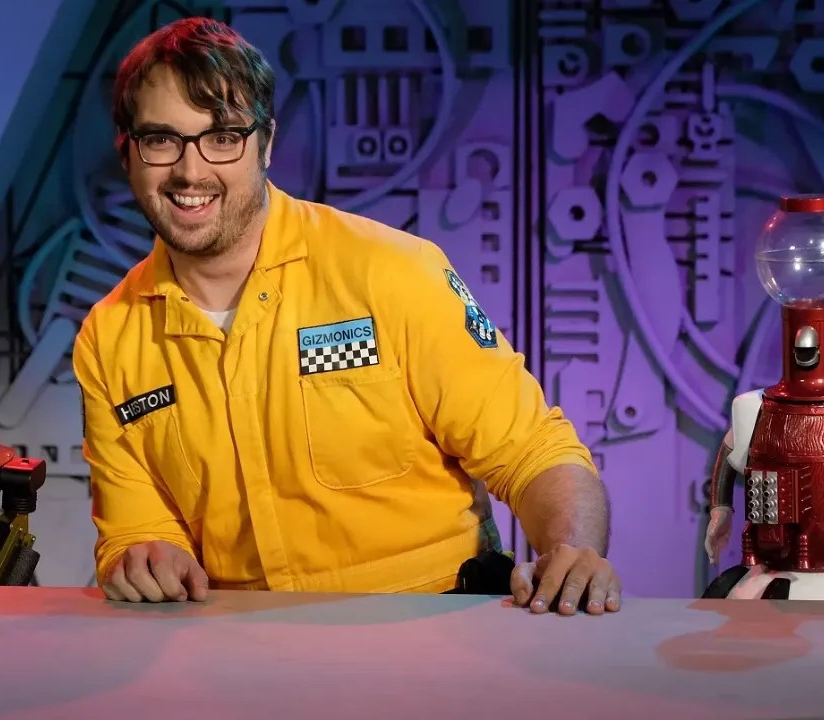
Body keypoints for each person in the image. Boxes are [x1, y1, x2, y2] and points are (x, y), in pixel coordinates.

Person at [73, 17, 620, 615]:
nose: (191, 170)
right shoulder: (109, 338)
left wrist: (571, 551)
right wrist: (147, 557)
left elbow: (532, 451)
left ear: (266, 143)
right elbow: (137, 529)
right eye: (161, 139)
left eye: (223, 137)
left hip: (437, 629)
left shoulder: (391, 271)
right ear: (126, 151)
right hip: (242, 646)